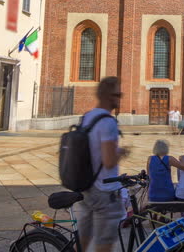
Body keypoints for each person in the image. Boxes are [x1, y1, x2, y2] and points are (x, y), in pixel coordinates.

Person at [74, 77, 129, 252]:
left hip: (87, 186)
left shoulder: (88, 116)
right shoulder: (108, 122)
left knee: (84, 237)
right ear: (108, 96)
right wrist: (121, 152)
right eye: (117, 95)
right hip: (105, 190)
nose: (119, 98)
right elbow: (109, 161)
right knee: (104, 242)